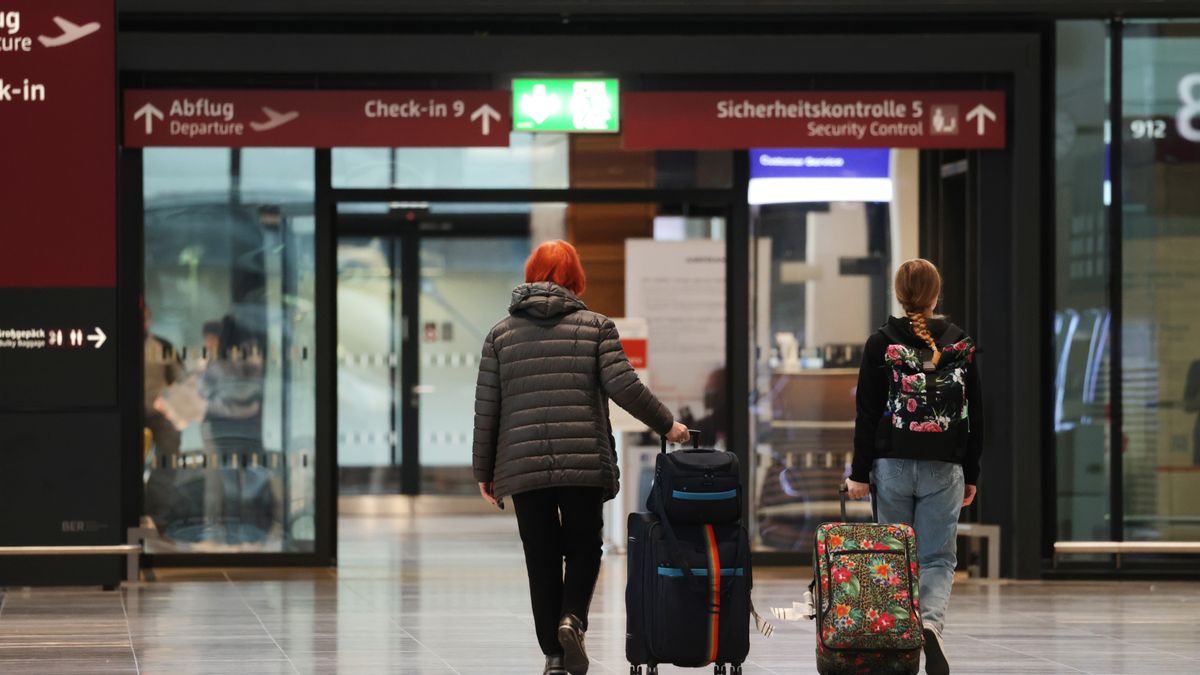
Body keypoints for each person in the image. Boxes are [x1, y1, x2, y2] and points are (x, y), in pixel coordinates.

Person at [472, 240, 690, 675]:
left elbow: (487, 409)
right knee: (585, 546)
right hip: (584, 460)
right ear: (575, 277)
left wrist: (483, 470)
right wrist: (669, 425)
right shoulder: (596, 327)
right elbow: (626, 387)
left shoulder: (500, 334)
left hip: (523, 463)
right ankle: (573, 618)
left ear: (531, 273)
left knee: (541, 554)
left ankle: (553, 654)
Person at [845, 259, 983, 675]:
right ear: (936, 295)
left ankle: (896, 639)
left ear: (898, 294)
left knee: (892, 555)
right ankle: (930, 623)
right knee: (937, 558)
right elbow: (975, 413)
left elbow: (866, 414)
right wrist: (971, 473)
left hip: (891, 466)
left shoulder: (880, 342)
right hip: (945, 466)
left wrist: (857, 473)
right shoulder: (960, 343)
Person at [143, 301, 184, 457]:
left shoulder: (162, 346)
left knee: (169, 450)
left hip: (159, 413)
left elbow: (180, 379)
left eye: (145, 318)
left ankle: (156, 483)